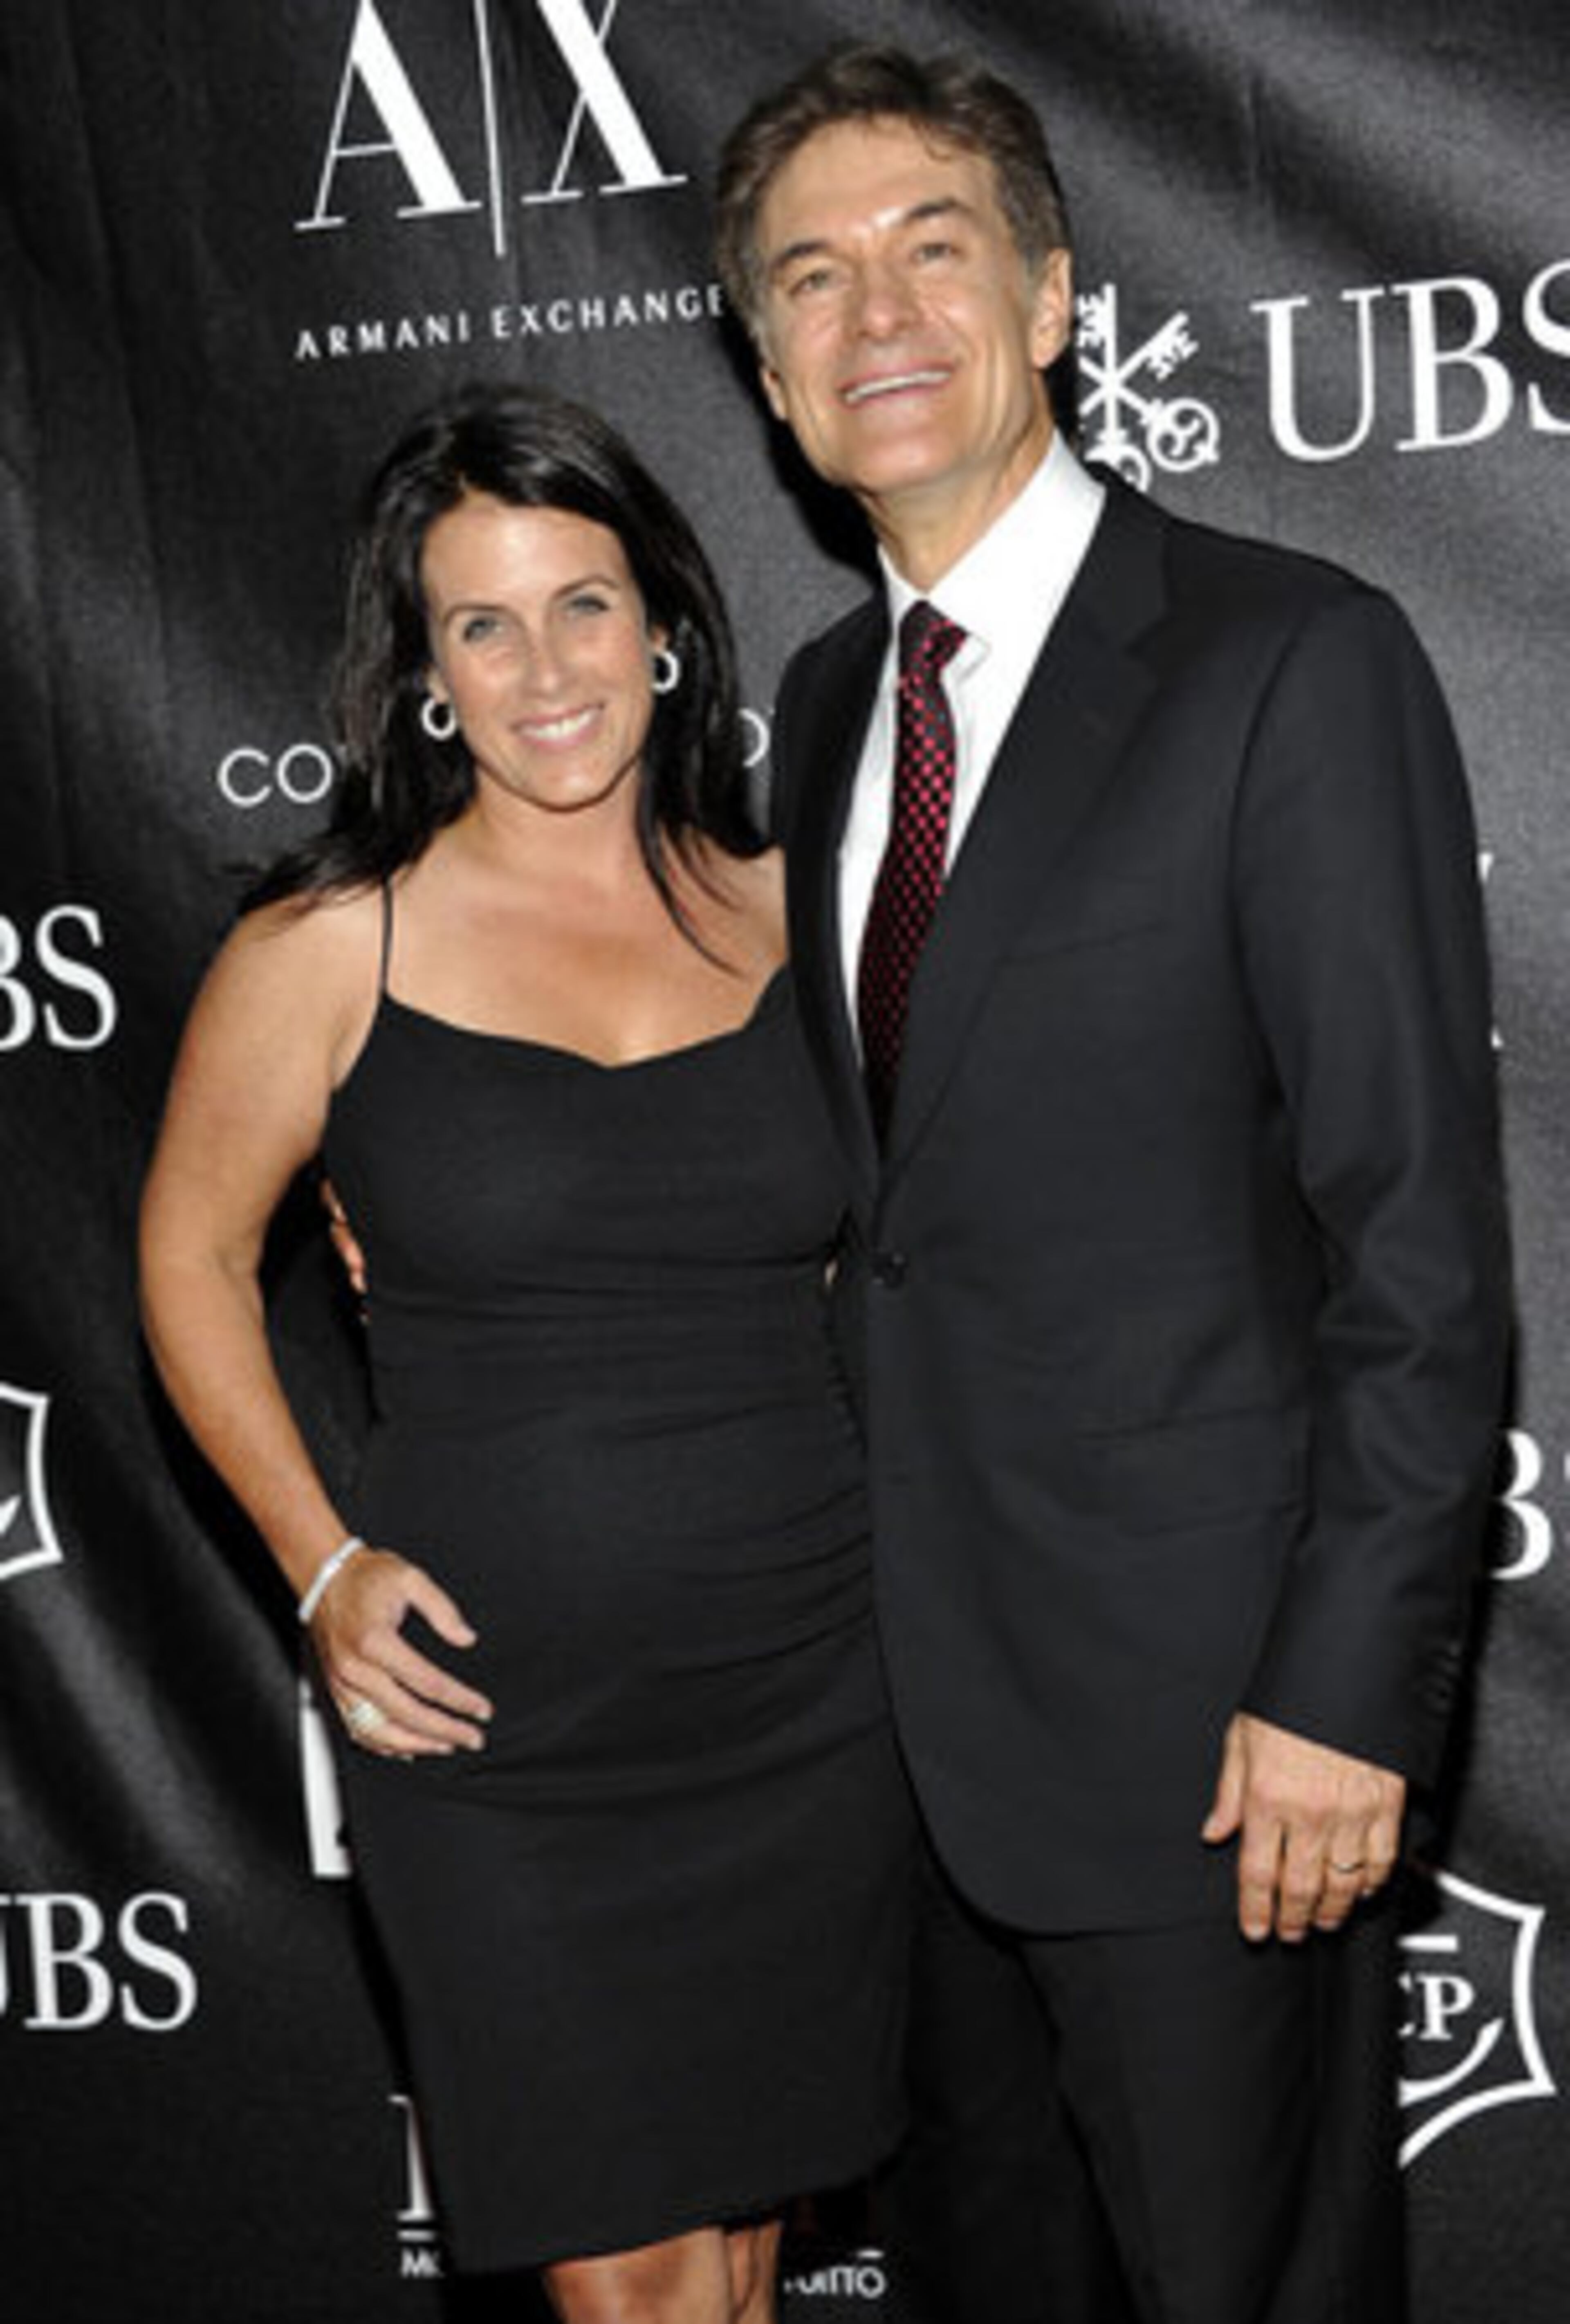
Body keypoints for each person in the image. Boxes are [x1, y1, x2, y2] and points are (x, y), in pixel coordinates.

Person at [712, 43, 1511, 2324]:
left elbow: (1420, 1242)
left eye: (933, 248)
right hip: (910, 1743)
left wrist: (1351, 1688)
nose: (877, 311)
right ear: (767, 378)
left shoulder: (1288, 660)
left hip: (1214, 1746)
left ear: (1053, 298)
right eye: (812, 279)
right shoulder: (826, 700)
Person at [138, 383, 912, 2323]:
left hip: (813, 1686)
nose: (543, 666)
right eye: (480, 623)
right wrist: (318, 1562)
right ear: (422, 671)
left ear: (664, 623)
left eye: (581, 603)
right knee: (629, 2278)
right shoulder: (333, 942)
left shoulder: (790, 903)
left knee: (736, 2258)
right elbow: (187, 1257)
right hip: (498, 1726)